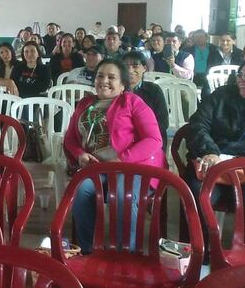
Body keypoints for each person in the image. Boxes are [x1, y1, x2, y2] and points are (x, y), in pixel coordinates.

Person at [64, 59, 166, 254]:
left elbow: (154, 139)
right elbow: (70, 139)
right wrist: (80, 155)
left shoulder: (132, 102)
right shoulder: (85, 103)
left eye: (112, 77)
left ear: (122, 85)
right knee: (81, 190)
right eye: (100, 76)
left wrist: (120, 160)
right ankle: (88, 250)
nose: (104, 81)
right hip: (98, 167)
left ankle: (125, 253)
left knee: (122, 195)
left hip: (133, 166)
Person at [184, 62, 245, 258]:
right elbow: (197, 125)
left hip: (242, 167)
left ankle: (239, 253)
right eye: (241, 75)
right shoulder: (220, 96)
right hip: (213, 161)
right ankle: (201, 249)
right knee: (197, 192)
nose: (242, 81)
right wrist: (210, 151)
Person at [122, 51, 169, 149]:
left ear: (144, 68)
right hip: (122, 140)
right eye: (126, 66)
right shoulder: (117, 91)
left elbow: (163, 122)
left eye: (135, 66)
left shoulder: (154, 90)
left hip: (149, 139)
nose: (130, 70)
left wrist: (140, 135)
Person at [185, 29, 218, 97]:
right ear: (193, 39)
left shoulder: (214, 49)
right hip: (194, 76)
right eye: (196, 37)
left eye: (201, 36)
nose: (198, 39)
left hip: (208, 76)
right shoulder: (188, 50)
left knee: (207, 93)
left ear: (206, 37)